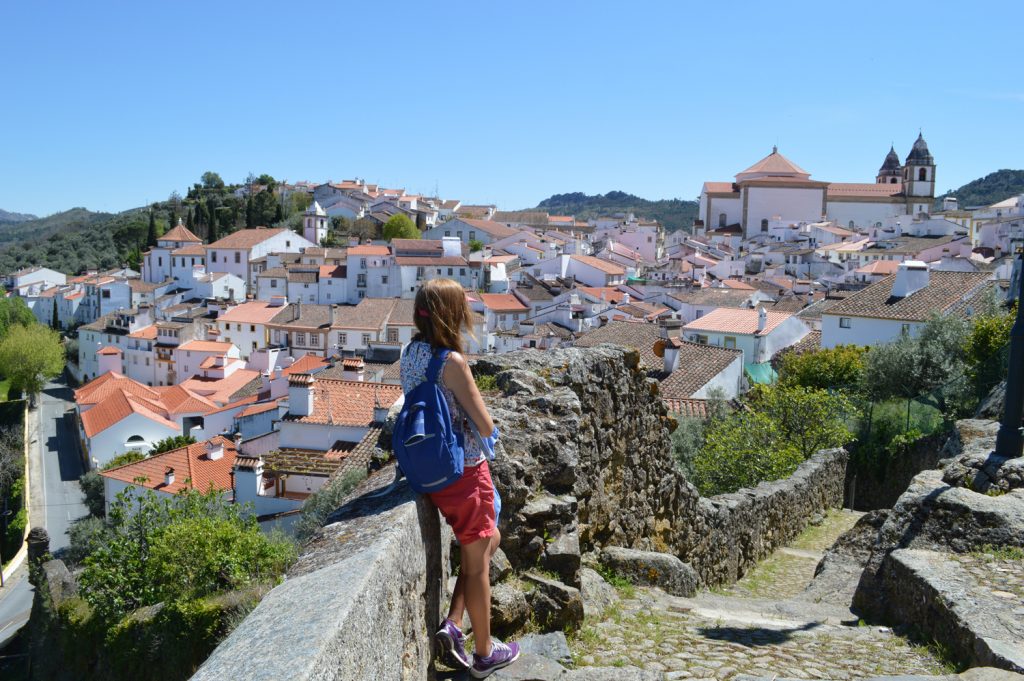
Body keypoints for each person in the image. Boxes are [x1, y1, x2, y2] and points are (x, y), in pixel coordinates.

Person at [399, 278, 520, 678]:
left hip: (431, 475)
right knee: (478, 564)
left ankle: (453, 620)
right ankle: (485, 653)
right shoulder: (451, 363)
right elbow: (484, 425)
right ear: (454, 314)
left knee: (487, 544)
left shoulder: (411, 354)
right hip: (465, 472)